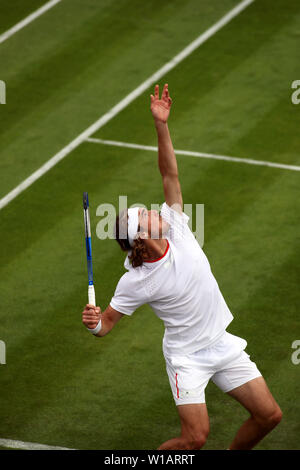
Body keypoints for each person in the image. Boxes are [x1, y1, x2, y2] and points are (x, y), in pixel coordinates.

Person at [82, 84, 282, 450]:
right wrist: (94, 323)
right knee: (194, 439)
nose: (153, 209)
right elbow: (105, 326)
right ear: (141, 233)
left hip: (221, 343)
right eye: (144, 213)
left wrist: (161, 125)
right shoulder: (135, 281)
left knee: (269, 416)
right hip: (186, 357)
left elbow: (169, 175)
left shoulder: (177, 227)